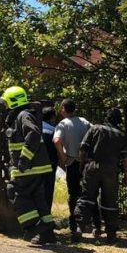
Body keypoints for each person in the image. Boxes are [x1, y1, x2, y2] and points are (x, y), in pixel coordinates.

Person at [0, 86, 57, 246]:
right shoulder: (22, 115)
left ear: (12, 101)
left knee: (15, 192)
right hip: (33, 167)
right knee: (38, 199)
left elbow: (33, 134)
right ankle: (48, 235)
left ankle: (35, 228)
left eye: (6, 102)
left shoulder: (23, 115)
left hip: (28, 167)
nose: (5, 106)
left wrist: (24, 159)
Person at [76, 107, 127, 244]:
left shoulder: (95, 128)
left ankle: (79, 228)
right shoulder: (121, 135)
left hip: (92, 167)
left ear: (107, 117)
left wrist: (81, 166)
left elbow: (83, 149)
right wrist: (126, 175)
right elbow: (126, 159)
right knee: (110, 202)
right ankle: (111, 234)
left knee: (86, 198)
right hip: (111, 171)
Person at [52, 99, 99, 241]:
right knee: (90, 193)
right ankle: (96, 225)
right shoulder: (84, 121)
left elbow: (56, 140)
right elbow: (95, 134)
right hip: (86, 163)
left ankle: (74, 226)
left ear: (64, 109)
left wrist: (63, 156)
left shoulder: (63, 124)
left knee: (73, 195)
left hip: (72, 162)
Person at [40, 106, 59, 217]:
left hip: (35, 167)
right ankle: (46, 216)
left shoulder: (36, 129)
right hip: (50, 166)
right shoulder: (54, 131)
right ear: (52, 118)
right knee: (48, 192)